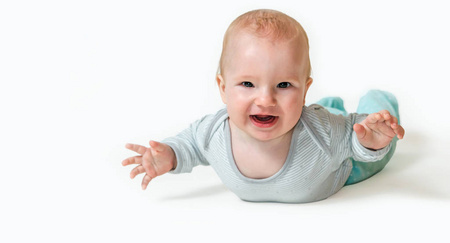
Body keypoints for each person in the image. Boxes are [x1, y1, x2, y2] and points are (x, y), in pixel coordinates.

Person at [122, 9, 405, 203]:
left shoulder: (324, 134)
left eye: (283, 85)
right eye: (247, 84)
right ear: (222, 87)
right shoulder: (214, 133)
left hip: (336, 171)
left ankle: (380, 102)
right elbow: (190, 145)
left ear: (305, 90)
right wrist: (169, 155)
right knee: (331, 117)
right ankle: (331, 106)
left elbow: (351, 139)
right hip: (321, 126)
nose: (266, 100)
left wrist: (371, 141)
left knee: (371, 139)